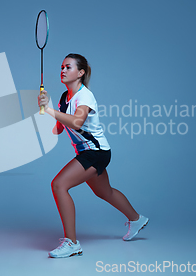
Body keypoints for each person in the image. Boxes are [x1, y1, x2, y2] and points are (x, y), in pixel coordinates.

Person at [38, 53, 149, 258]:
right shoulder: (65, 97)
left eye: (68, 67)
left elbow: (77, 122)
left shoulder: (85, 96)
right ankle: (136, 219)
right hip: (88, 151)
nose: (63, 70)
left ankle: (71, 243)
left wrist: (51, 110)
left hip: (95, 152)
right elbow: (60, 130)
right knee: (104, 192)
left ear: (80, 73)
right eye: (62, 66)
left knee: (59, 185)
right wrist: (46, 109)